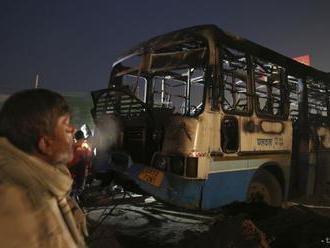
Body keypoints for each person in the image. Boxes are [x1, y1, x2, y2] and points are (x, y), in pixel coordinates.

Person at [0, 89, 87, 247]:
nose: (72, 130)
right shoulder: (15, 211)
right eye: (65, 124)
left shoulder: (46, 185)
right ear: (45, 144)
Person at [68, 130, 93, 197]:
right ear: (83, 136)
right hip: (81, 169)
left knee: (73, 186)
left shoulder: (72, 145)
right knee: (80, 188)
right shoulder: (85, 145)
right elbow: (88, 157)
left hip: (71, 168)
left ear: (75, 138)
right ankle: (72, 198)